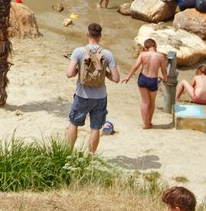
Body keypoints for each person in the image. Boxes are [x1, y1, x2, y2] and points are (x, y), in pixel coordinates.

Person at [65, 22, 120, 153]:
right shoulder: (107, 54)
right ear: (100, 36)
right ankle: (90, 156)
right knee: (95, 128)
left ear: (87, 34)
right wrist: (102, 72)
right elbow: (116, 78)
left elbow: (69, 74)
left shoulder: (79, 51)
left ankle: (67, 153)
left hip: (82, 95)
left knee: (74, 123)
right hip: (100, 97)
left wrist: (79, 69)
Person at [126, 37, 168, 129]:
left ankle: (145, 124)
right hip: (153, 80)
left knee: (145, 102)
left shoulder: (143, 55)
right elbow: (164, 71)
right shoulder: (160, 56)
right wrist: (166, 81)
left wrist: (128, 77)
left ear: (146, 47)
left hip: (143, 79)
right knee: (152, 102)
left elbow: (135, 67)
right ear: (155, 45)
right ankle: (149, 122)